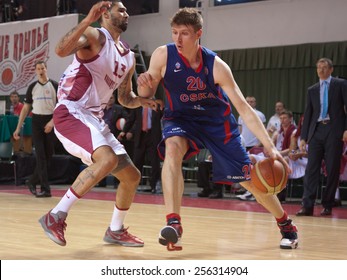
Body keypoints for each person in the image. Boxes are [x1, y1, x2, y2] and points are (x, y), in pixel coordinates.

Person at [137, 7, 298, 251]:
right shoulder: (163, 56)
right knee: (172, 148)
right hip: (181, 119)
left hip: (216, 124)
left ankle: (287, 226)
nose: (178, 39)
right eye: (174, 33)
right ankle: (174, 222)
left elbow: (244, 108)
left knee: (250, 181)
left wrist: (270, 148)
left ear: (198, 33)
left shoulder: (216, 65)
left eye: (185, 34)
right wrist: (143, 86)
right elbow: (146, 93)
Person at [37, 1, 160, 247]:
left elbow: (125, 98)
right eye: (121, 10)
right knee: (107, 160)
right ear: (105, 14)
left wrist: (144, 102)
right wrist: (86, 20)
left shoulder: (128, 56)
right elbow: (61, 51)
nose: (126, 14)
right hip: (71, 111)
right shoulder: (94, 36)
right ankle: (56, 215)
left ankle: (115, 230)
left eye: (127, 10)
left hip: (94, 118)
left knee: (131, 176)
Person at [297, 58, 347, 216]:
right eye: (319, 68)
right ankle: (307, 206)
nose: (321, 70)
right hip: (316, 131)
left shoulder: (340, 84)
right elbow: (309, 114)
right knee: (311, 169)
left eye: (324, 67)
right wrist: (304, 137)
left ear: (331, 69)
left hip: (334, 130)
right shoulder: (312, 89)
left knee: (332, 168)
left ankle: (328, 204)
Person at [13, 60, 58, 197]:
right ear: (35, 71)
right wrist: (18, 128)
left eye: (42, 68)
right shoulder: (32, 87)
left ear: (46, 69)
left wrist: (52, 122)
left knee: (49, 156)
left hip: (50, 120)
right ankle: (45, 189)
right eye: (38, 68)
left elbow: (62, 107)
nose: (41, 71)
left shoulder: (55, 85)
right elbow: (26, 108)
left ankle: (32, 181)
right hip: (37, 122)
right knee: (40, 156)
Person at [119, 102, 163, 193]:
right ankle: (134, 184)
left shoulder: (158, 104)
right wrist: (124, 131)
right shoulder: (138, 104)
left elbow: (163, 118)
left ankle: (155, 185)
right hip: (140, 136)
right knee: (137, 161)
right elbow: (131, 119)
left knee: (154, 162)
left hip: (153, 136)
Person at [96, 93, 129, 188]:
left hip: (114, 138)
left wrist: (123, 131)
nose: (110, 100)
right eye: (108, 98)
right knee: (102, 159)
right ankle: (101, 181)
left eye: (112, 98)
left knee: (117, 159)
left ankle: (117, 182)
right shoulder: (100, 109)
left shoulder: (119, 109)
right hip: (102, 137)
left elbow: (127, 120)